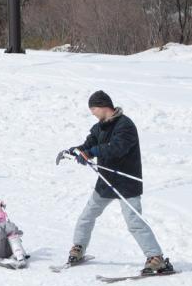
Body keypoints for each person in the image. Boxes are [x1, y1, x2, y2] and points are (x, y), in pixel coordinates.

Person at [60, 91, 173, 275]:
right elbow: (89, 144)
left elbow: (117, 148)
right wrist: (77, 151)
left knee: (134, 222)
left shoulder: (125, 125)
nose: (92, 113)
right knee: (86, 216)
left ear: (104, 106)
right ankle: (78, 248)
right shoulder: (99, 127)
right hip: (106, 181)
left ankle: (156, 258)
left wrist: (92, 152)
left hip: (126, 182)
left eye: (93, 109)